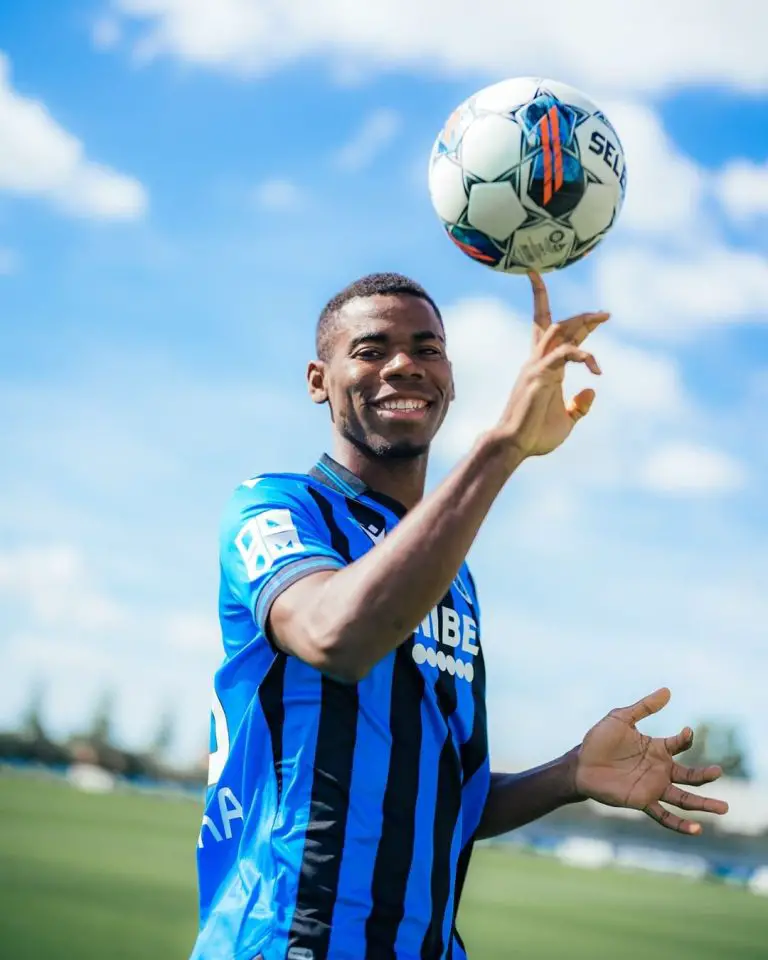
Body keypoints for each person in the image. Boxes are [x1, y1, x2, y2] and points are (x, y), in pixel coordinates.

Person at [191, 272, 727, 960]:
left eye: (428, 349)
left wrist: (569, 775)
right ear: (318, 381)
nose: (404, 365)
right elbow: (334, 636)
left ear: (448, 380)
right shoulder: (277, 507)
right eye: (371, 349)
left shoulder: (453, 574)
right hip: (290, 940)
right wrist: (503, 445)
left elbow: (442, 799)